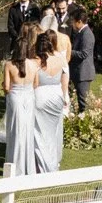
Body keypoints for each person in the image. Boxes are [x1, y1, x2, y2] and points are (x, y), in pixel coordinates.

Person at [1, 23, 40, 176]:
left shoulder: (9, 65)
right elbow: (36, 84)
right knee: (27, 131)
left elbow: (6, 87)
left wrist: (6, 87)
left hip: (16, 98)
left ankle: (14, 166)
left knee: (14, 131)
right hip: (29, 97)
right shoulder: (34, 64)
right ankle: (27, 167)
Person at [32, 29, 68, 174]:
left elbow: (34, 83)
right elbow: (65, 79)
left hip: (40, 96)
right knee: (53, 134)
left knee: (39, 135)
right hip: (57, 95)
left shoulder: (36, 61)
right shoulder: (60, 58)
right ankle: (53, 164)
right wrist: (64, 96)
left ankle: (43, 167)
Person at [64, 6, 96, 115]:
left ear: (79, 22)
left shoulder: (87, 34)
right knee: (76, 100)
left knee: (83, 102)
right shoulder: (81, 33)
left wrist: (68, 51)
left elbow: (84, 54)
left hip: (83, 73)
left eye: (73, 22)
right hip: (77, 72)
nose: (72, 25)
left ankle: (84, 122)